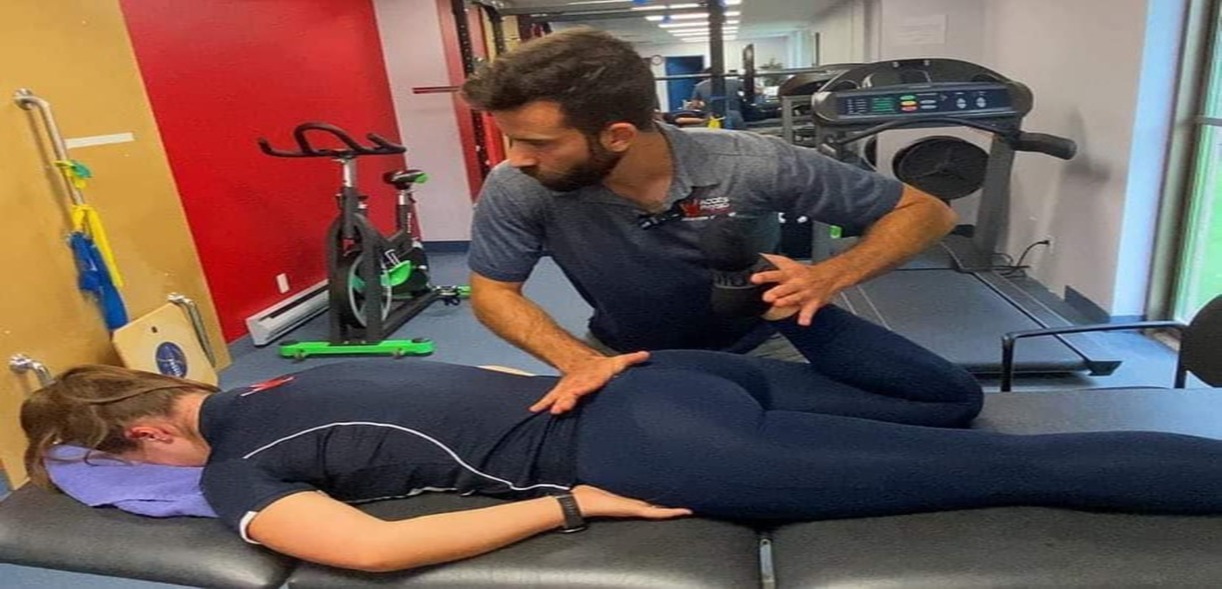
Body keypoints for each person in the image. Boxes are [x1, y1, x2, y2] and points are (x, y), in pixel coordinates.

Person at [22, 335, 1222, 574]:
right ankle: (821, 316)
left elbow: (368, 552)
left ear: (148, 433)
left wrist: (570, 505)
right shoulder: (294, 369)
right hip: (667, 371)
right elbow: (470, 380)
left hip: (649, 437)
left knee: (1013, 469)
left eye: (121, 462)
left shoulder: (233, 465)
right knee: (952, 417)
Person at [459, 28, 963, 415]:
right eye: (511, 139)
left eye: (539, 143)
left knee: (870, 432)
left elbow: (927, 212)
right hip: (619, 353)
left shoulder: (750, 164)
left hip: (764, 345)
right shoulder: (518, 184)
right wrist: (582, 363)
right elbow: (494, 293)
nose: (516, 157)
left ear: (617, 135)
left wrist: (829, 276)